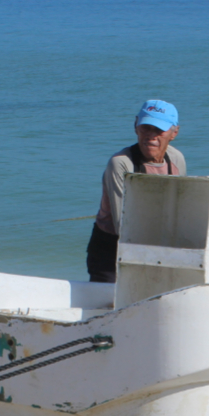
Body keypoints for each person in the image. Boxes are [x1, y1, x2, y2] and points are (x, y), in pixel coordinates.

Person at [86, 100, 186, 283]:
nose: (151, 136)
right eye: (146, 128)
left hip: (154, 245)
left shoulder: (176, 160)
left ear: (174, 133)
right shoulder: (122, 163)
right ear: (135, 126)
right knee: (109, 303)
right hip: (111, 250)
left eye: (159, 130)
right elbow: (121, 225)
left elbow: (177, 211)